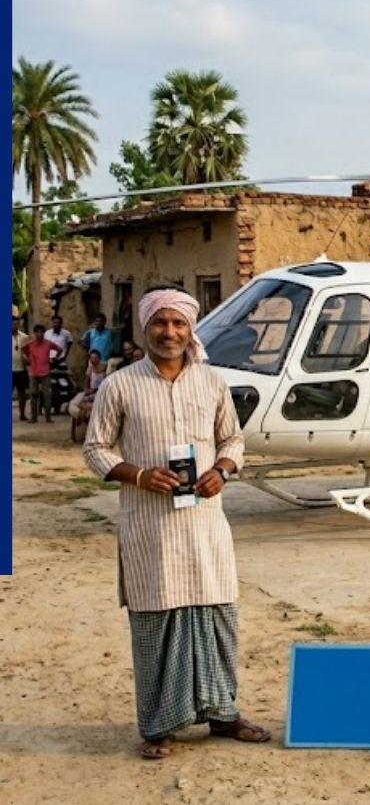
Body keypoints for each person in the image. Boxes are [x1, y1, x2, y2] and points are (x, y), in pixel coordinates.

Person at [82, 286, 270, 759]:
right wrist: (141, 475)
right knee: (156, 621)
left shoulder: (211, 383)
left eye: (179, 323)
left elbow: (233, 439)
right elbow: (95, 449)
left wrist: (222, 471)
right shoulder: (119, 385)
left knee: (217, 615)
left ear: (191, 329)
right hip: (151, 527)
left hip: (205, 526)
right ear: (145, 329)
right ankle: (158, 726)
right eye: (160, 323)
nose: (170, 332)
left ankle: (223, 713)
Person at [21, 324, 63, 422]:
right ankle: (33, 417)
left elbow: (59, 349)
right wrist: (28, 359)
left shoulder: (48, 343)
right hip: (33, 372)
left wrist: (55, 359)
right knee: (33, 395)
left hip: (45, 372)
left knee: (47, 395)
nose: (39, 334)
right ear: (34, 333)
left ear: (43, 333)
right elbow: (23, 350)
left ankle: (48, 417)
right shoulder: (30, 344)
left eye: (41, 332)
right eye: (37, 332)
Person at [12, 317, 30, 421]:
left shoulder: (24, 337)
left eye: (16, 324)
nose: (14, 326)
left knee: (22, 393)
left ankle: (22, 414)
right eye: (12, 324)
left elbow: (28, 352)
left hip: (21, 369)